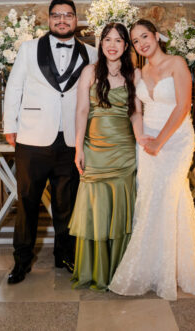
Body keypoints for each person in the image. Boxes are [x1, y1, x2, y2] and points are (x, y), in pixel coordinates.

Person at [109, 19, 195, 300]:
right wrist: (140, 136)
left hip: (175, 141)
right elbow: (135, 110)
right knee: (150, 198)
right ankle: (151, 268)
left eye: (144, 36)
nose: (141, 43)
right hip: (148, 141)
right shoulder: (138, 73)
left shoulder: (176, 63)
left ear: (157, 36)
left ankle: (178, 269)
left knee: (170, 194)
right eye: (135, 41)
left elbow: (183, 106)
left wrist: (160, 141)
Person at [3, 0, 98, 284]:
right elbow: (14, 87)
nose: (62, 20)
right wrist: (10, 125)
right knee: (27, 203)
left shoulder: (92, 53)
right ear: (49, 19)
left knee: (66, 204)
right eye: (56, 15)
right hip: (32, 138)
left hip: (71, 140)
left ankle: (64, 256)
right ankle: (21, 262)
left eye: (68, 15)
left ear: (76, 19)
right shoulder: (29, 49)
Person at [68, 23, 145, 291]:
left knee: (122, 210)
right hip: (94, 150)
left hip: (123, 151)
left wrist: (142, 141)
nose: (112, 45)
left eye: (118, 40)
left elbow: (136, 113)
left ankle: (120, 271)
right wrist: (78, 148)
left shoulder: (134, 74)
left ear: (126, 46)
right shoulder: (89, 71)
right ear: (101, 44)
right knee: (96, 210)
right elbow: (81, 111)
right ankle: (96, 271)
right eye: (108, 40)